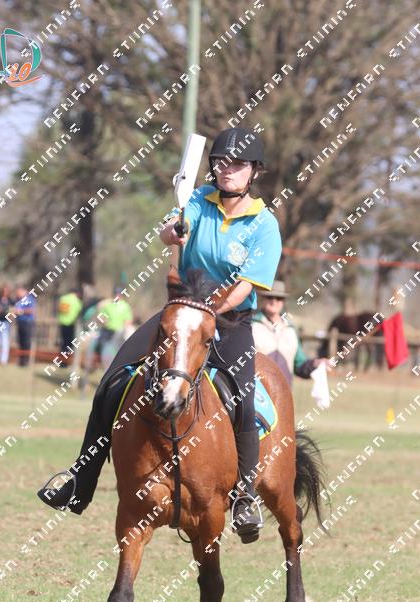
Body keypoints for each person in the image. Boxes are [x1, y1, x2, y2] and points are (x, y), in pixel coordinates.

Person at [37, 127, 282, 544]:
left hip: (229, 320)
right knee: (113, 382)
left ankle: (244, 496)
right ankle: (81, 479)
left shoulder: (264, 225)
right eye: (221, 162)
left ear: (254, 171)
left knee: (242, 400)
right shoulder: (197, 201)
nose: (228, 170)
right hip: (180, 312)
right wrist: (171, 232)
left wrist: (209, 312)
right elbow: (170, 230)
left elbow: (245, 287)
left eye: (238, 164)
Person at [252, 281, 331, 385]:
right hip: (256, 391)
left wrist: (316, 364)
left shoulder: (291, 330)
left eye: (279, 298)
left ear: (283, 301)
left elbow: (300, 365)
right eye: (270, 297)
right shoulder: (251, 325)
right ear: (263, 299)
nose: (274, 301)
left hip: (284, 392)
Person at [57, 289, 83, 366]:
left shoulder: (63, 298)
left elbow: (59, 309)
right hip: (71, 324)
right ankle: (65, 362)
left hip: (62, 322)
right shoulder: (77, 301)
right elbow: (79, 312)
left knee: (63, 343)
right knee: (69, 345)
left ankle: (61, 361)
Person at [14, 287, 36, 366]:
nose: (17, 294)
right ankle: (21, 361)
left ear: (24, 291)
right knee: (20, 342)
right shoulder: (18, 300)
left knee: (26, 342)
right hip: (20, 322)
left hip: (27, 323)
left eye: (19, 292)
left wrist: (21, 311)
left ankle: (26, 361)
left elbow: (31, 310)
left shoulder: (29, 299)